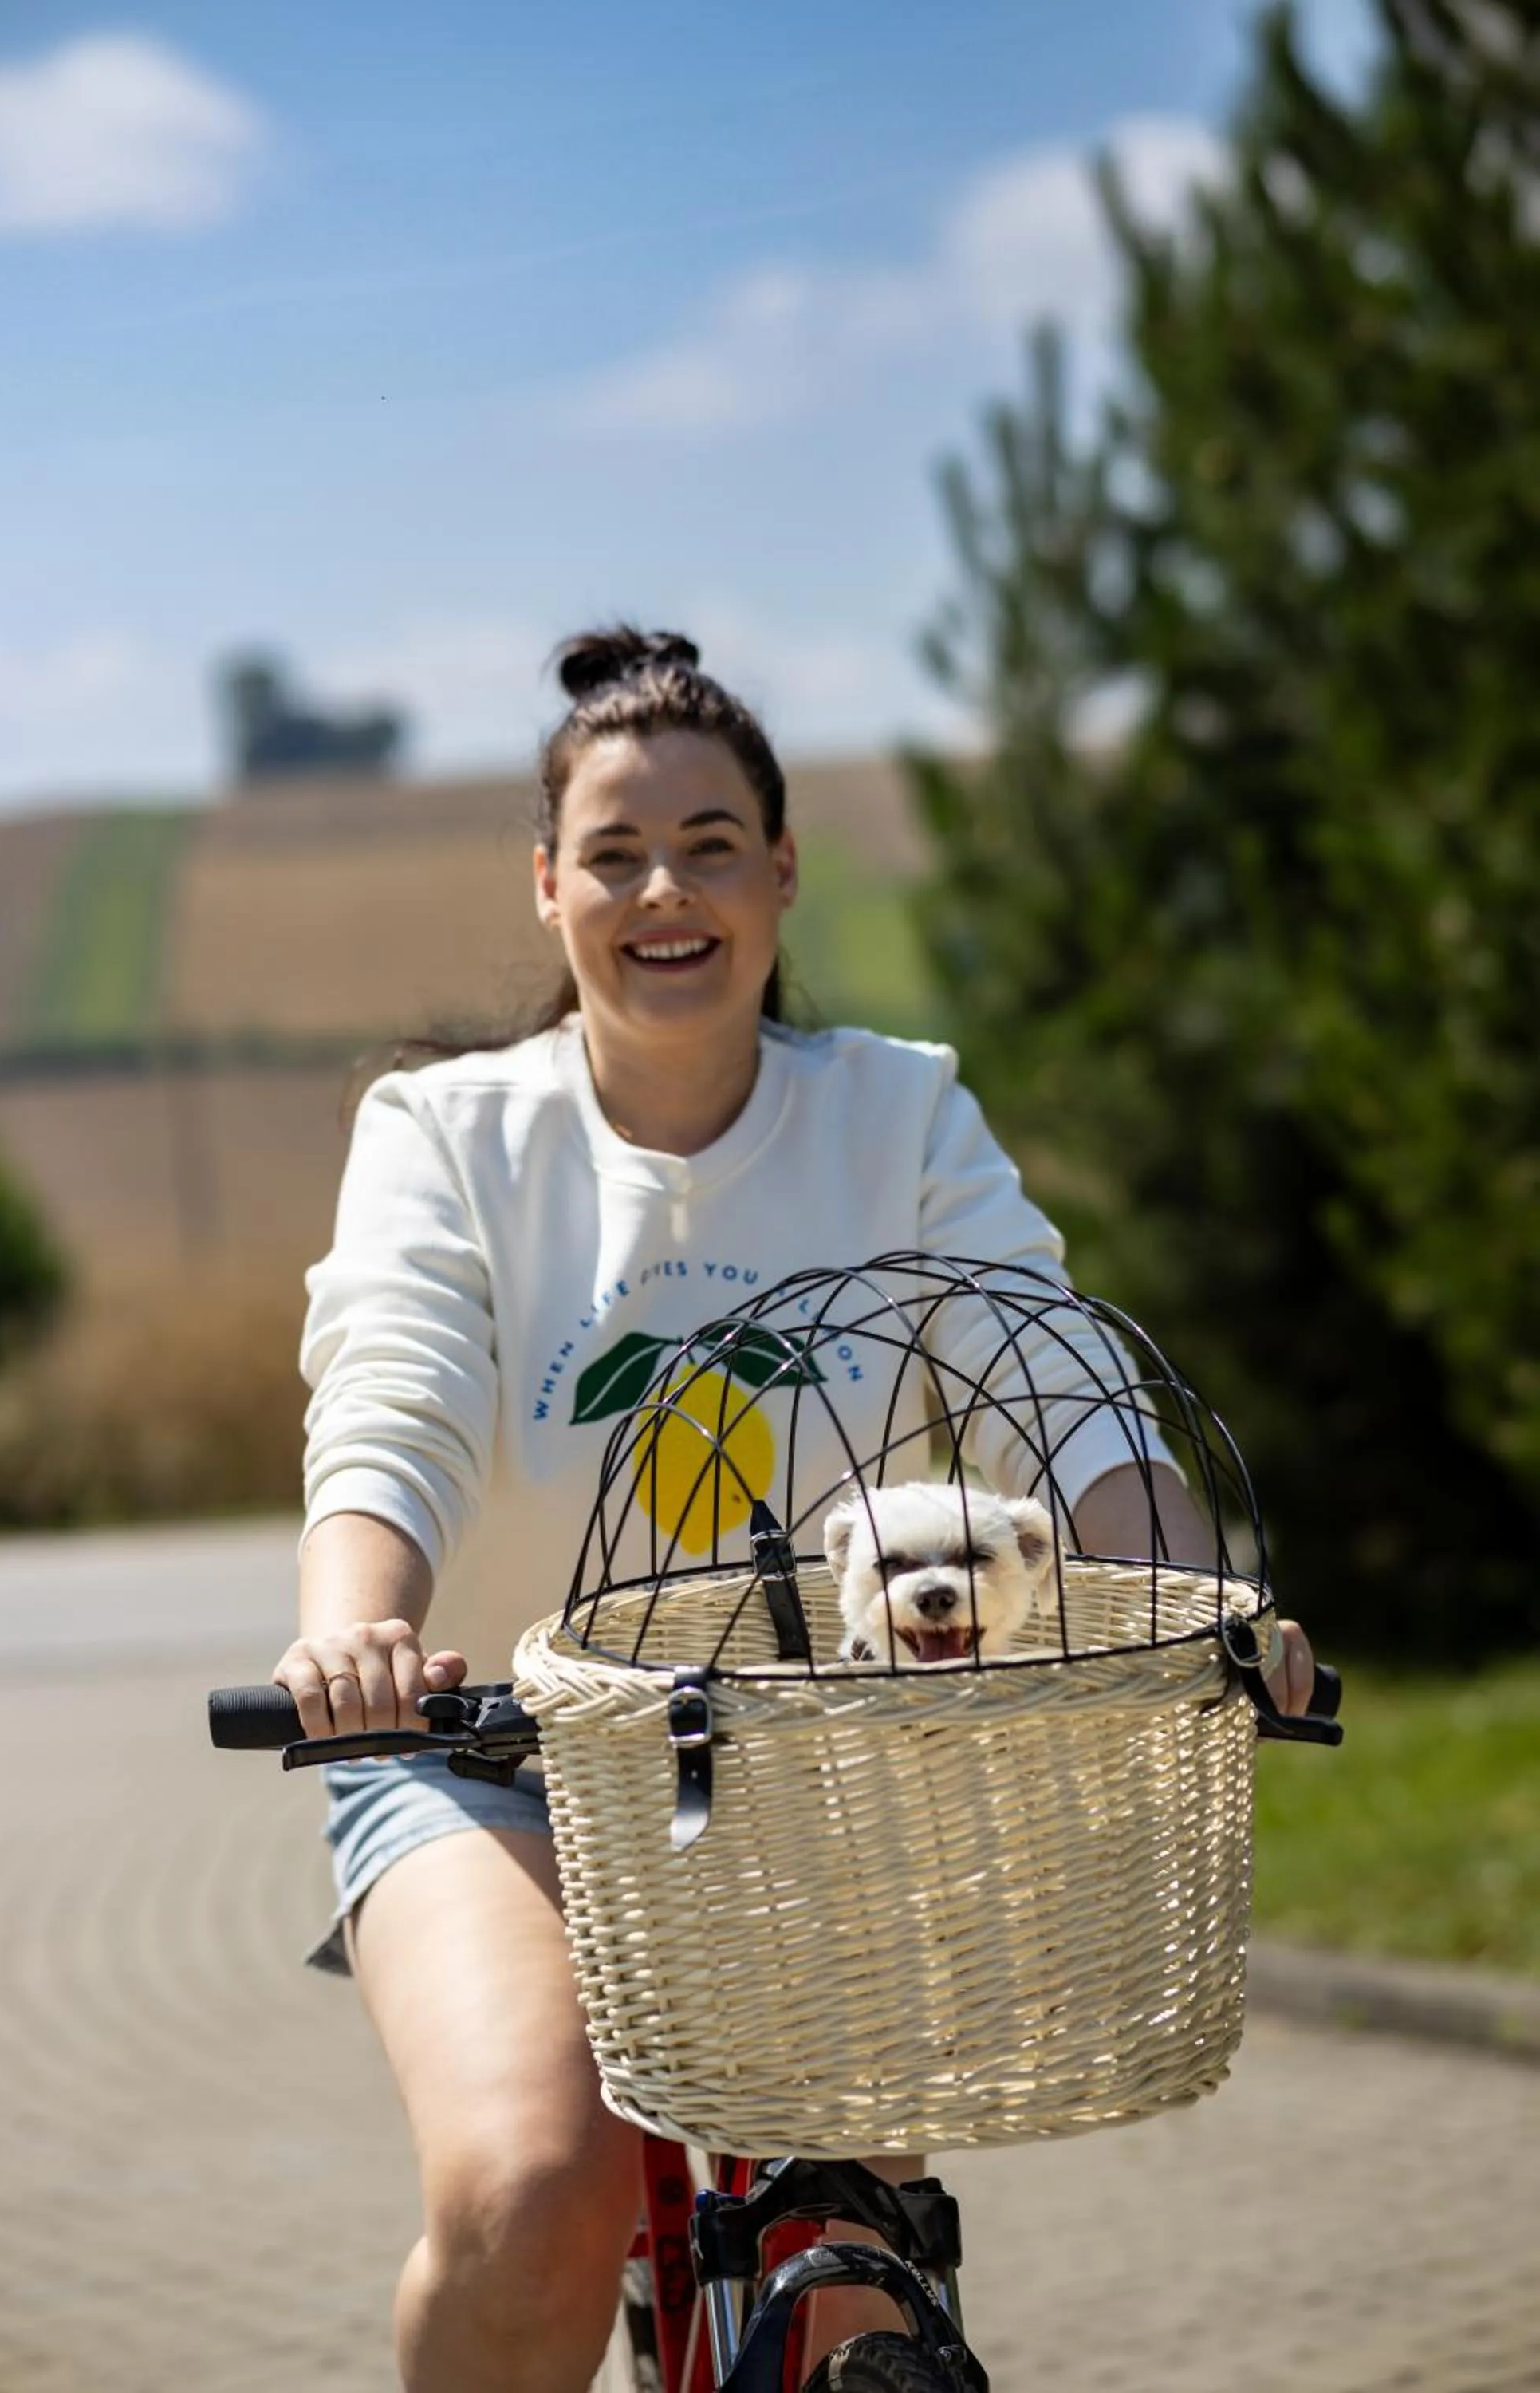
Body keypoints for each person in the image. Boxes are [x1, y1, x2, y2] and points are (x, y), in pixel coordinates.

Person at [279, 627, 1315, 2393]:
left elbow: (1054, 1377)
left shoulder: (896, 1111)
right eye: (613, 853)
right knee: (536, 2193)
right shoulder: (446, 1131)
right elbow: (396, 1395)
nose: (662, 890)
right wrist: (352, 1631)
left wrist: (1196, 1612)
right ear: (547, 887)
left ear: (780, 871)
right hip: (491, 1751)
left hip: (824, 1769)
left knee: (856, 2253)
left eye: (708, 845)